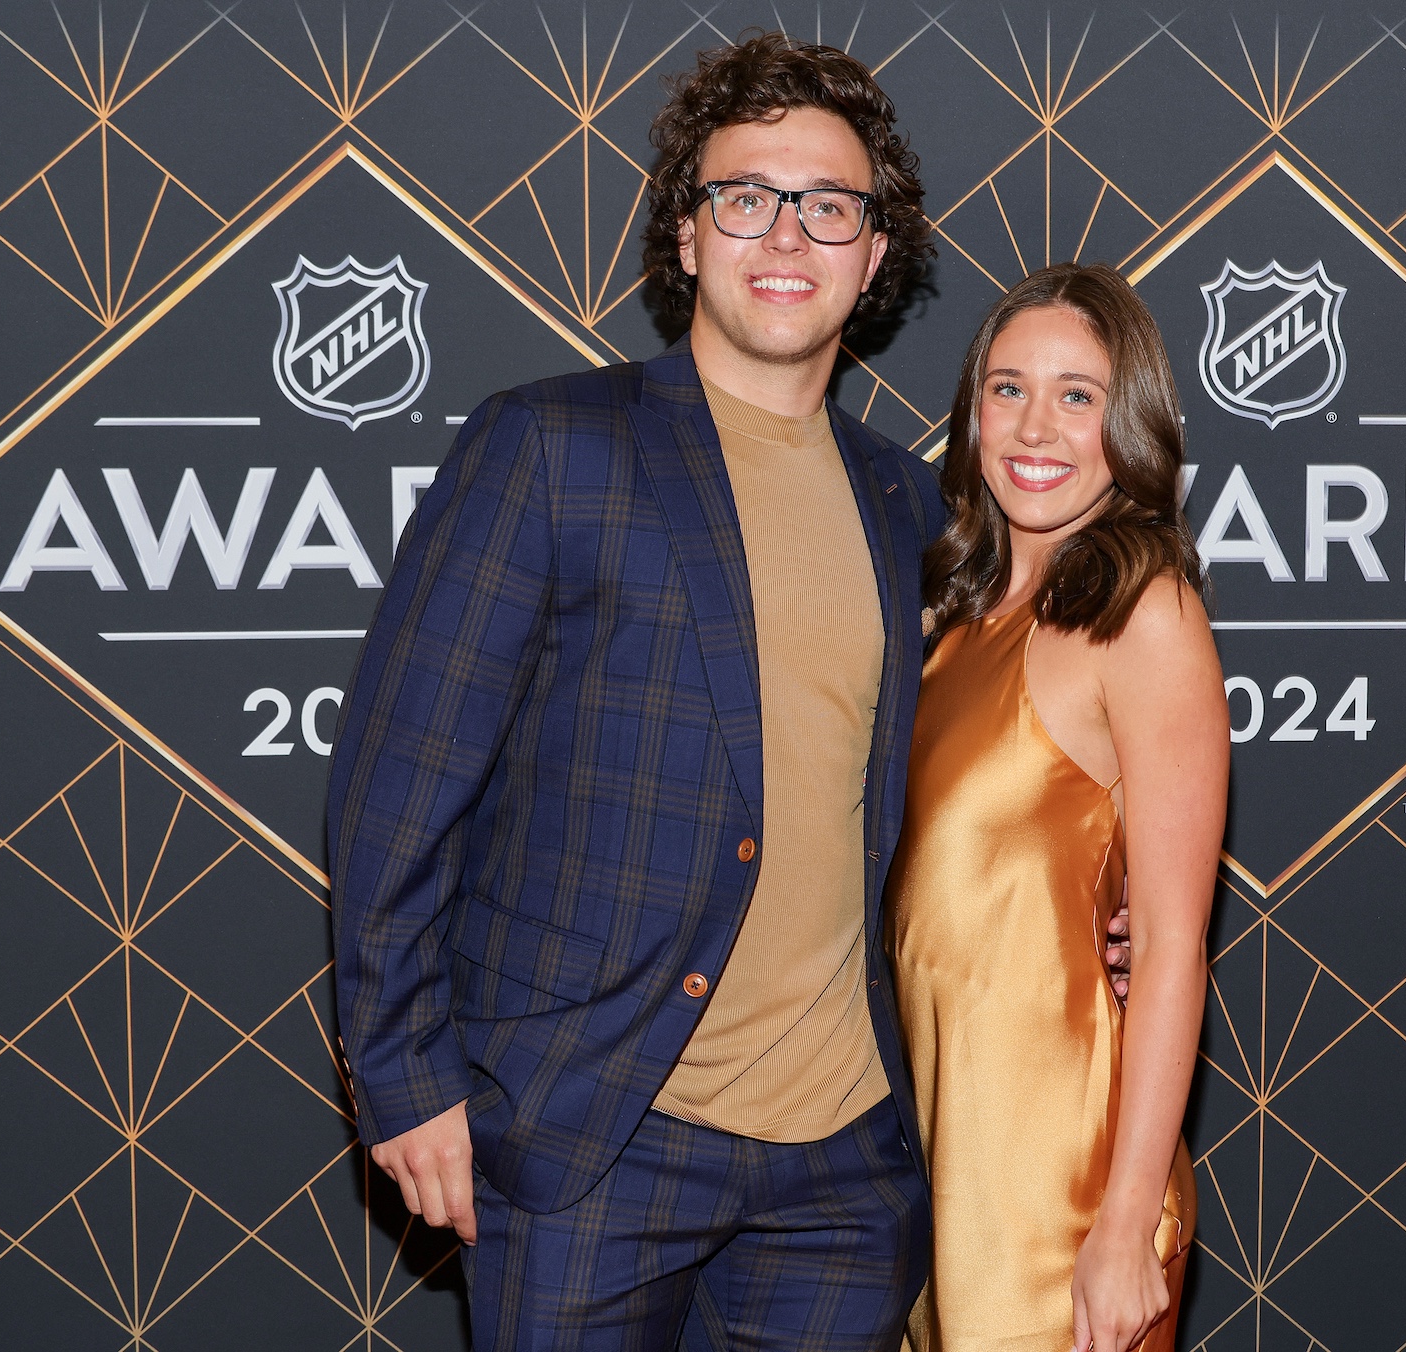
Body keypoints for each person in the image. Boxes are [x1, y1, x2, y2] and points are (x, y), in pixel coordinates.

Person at [327, 33, 946, 1350]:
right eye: (746, 196)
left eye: (830, 205)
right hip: (594, 1139)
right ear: (687, 235)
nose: (789, 231)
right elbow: (397, 791)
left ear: (874, 256)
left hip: (844, 1166)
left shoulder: (911, 501)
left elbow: (955, 773)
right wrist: (403, 1078)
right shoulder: (553, 446)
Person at [888, 264, 1228, 1352]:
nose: (1037, 425)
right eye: (1007, 388)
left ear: (1126, 422)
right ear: (971, 411)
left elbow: (1174, 949)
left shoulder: (1145, 613)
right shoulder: (951, 623)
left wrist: (1126, 1224)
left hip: (1059, 1193)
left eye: (1079, 395)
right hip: (938, 1178)